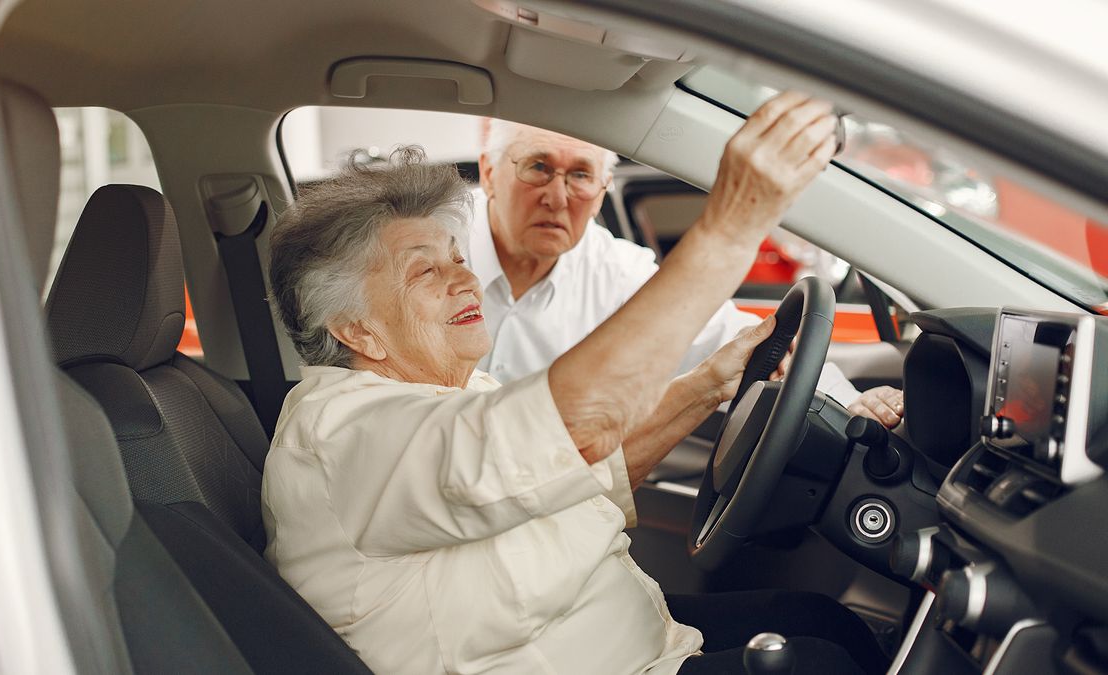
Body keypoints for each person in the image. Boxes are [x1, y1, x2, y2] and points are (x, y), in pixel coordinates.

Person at [263, 93, 887, 674]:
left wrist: (708, 385)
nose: (464, 280)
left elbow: (580, 475)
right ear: (358, 331)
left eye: (458, 258)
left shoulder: (444, 392)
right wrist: (728, 229)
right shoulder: (346, 434)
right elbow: (570, 429)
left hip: (639, 640)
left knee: (828, 624)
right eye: (425, 271)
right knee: (827, 658)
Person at [471, 118, 905, 428]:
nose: (558, 197)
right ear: (489, 175)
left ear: (602, 191)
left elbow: (739, 340)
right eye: (538, 167)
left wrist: (849, 405)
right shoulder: (429, 248)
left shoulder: (617, 271)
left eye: (581, 174)